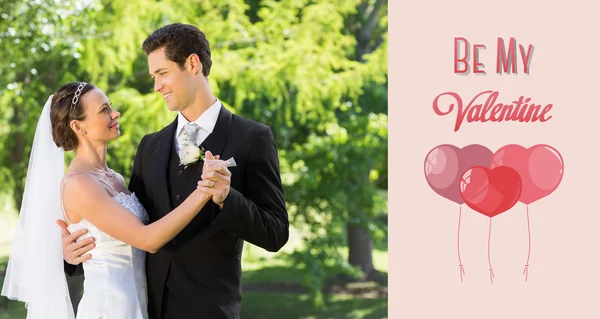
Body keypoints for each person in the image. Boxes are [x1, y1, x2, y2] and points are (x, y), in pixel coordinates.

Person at [60, 23, 290, 318]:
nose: (157, 86)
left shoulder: (251, 138)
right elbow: (129, 225)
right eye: (154, 76)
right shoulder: (150, 146)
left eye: (163, 73)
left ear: (192, 64)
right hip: (144, 308)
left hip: (210, 311)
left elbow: (276, 233)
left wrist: (225, 198)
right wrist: (72, 257)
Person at [1, 81, 229, 319]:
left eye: (110, 106)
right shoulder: (79, 183)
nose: (115, 113)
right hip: (110, 308)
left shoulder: (116, 178)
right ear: (78, 126)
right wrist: (204, 191)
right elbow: (147, 239)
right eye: (104, 110)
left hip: (139, 304)